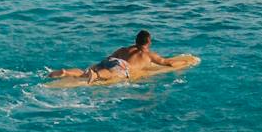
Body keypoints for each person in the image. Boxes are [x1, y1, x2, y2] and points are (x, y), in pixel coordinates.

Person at [47, 30, 178, 82]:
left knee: (84, 72)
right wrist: (182, 63)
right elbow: (168, 63)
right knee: (112, 73)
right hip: (121, 65)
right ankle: (96, 75)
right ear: (149, 42)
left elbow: (110, 59)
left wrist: (95, 67)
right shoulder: (148, 54)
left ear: (136, 40)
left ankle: (65, 72)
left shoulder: (124, 49)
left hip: (111, 59)